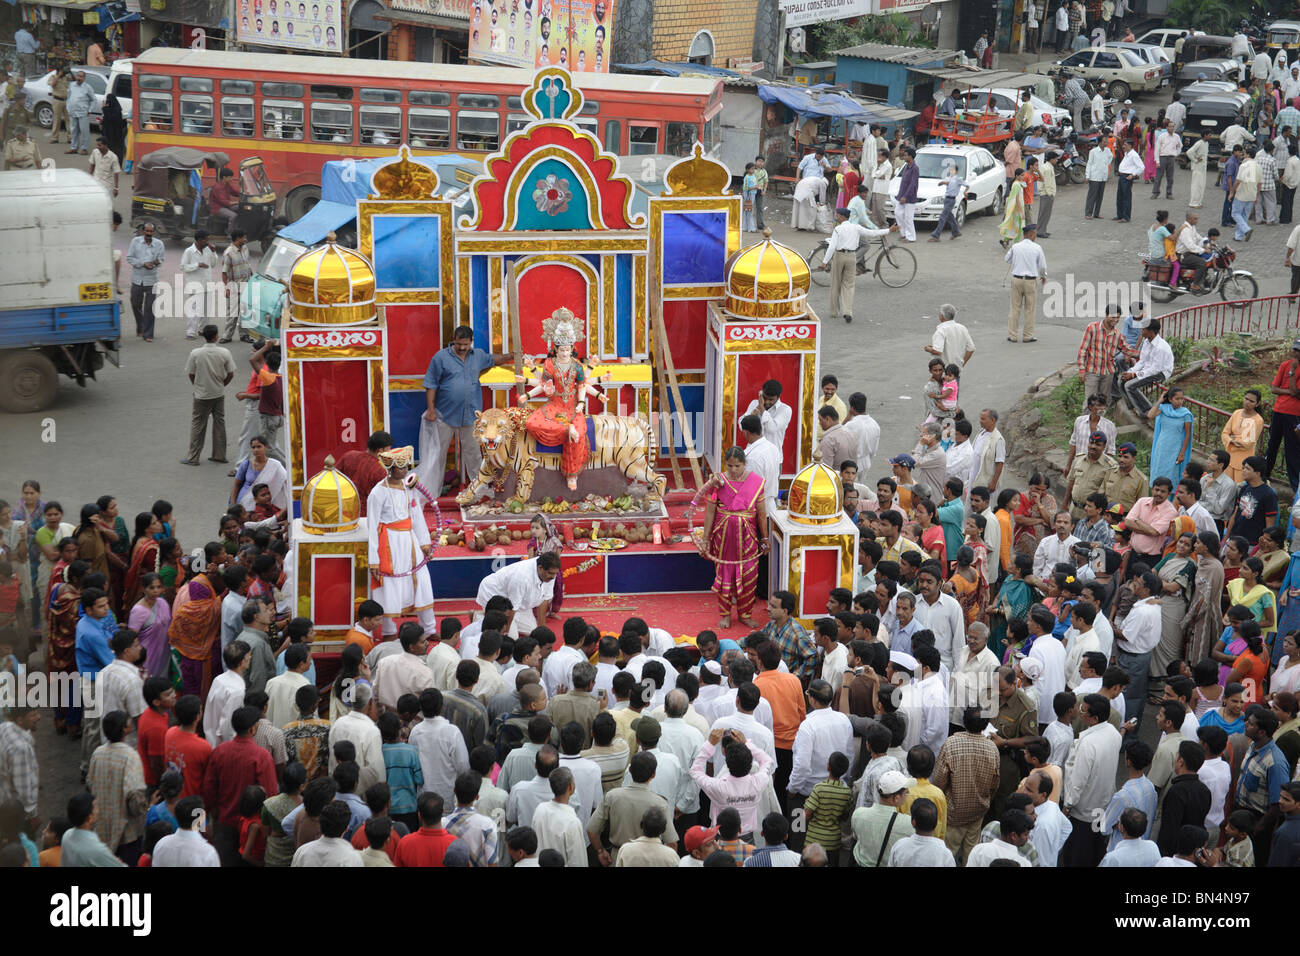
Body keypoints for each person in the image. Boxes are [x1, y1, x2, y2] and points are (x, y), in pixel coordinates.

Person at [366, 446, 436, 640]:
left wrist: (425, 543)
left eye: (406, 466)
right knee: (389, 584)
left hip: (410, 541)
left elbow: (416, 514)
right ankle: (388, 632)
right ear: (391, 469)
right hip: (388, 544)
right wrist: (374, 560)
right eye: (401, 467)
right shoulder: (377, 493)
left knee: (421, 580)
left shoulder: (408, 487)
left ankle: (429, 629)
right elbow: (372, 527)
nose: (405, 471)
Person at [818, 208, 896, 323]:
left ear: (842, 216)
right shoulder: (856, 227)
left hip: (839, 256)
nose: (836, 217)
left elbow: (832, 247)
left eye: (837, 215)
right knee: (849, 285)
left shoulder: (838, 229)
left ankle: (834, 311)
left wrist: (824, 262)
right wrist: (889, 230)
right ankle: (847, 312)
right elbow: (872, 233)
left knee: (835, 283)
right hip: (852, 257)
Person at [181, 325, 237, 467]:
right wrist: (222, 384)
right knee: (219, 423)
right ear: (216, 336)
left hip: (201, 395)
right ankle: (219, 455)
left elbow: (191, 373)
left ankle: (193, 457)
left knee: (198, 425)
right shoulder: (224, 352)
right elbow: (230, 373)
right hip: (218, 393)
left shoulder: (196, 353)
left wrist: (198, 385)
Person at [1120, 319, 1174, 416]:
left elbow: (1155, 370)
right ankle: (1132, 407)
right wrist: (1131, 372)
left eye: (1143, 329)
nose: (1141, 331)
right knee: (1121, 380)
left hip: (1160, 373)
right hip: (1148, 370)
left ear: (1151, 332)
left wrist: (1134, 375)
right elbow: (1142, 361)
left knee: (1129, 386)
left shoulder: (1160, 348)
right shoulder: (1146, 342)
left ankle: (1147, 411)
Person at [1005, 224, 1046, 344]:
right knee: (1030, 309)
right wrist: (1043, 276)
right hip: (1030, 281)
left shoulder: (1016, 246)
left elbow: (1007, 259)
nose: (1035, 236)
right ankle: (1027, 335)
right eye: (1034, 233)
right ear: (1030, 234)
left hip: (1016, 279)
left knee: (1014, 308)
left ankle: (1012, 335)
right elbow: (1042, 266)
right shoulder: (1037, 248)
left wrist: (1017, 261)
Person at [126, 223, 165, 342]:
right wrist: (143, 263)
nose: (149, 234)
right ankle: (141, 325)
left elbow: (161, 260)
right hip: (137, 279)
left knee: (149, 308)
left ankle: (148, 334)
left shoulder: (159, 244)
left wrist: (155, 263)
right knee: (135, 304)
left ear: (154, 232)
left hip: (151, 280)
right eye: (147, 231)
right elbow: (129, 258)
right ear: (143, 231)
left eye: (151, 232)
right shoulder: (135, 242)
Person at [1147, 386, 1194, 484]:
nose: (1180, 401)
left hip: (1175, 448)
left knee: (1171, 474)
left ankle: (1169, 497)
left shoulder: (1186, 414)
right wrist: (1160, 401)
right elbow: (1150, 415)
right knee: (1159, 469)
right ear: (1170, 399)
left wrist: (1182, 453)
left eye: (1182, 399)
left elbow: (1188, 435)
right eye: (1177, 399)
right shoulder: (1164, 409)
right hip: (1161, 446)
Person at [179, 231, 219, 340]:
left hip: (207, 284)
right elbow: (183, 267)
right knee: (194, 309)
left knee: (206, 309)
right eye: (206, 239)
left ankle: (203, 330)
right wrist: (197, 265)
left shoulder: (208, 250)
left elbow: (214, 264)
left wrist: (214, 253)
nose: (208, 242)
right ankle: (190, 333)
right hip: (194, 285)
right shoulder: (189, 251)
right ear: (199, 240)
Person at [1221, 389, 1266, 482]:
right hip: (1229, 457)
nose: (1247, 402)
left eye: (1251, 401)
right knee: (1225, 486)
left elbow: (1248, 443)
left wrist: (1232, 438)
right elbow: (1224, 433)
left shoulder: (1258, 420)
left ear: (1257, 404)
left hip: (1243, 462)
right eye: (1246, 399)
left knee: (1238, 488)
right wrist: (1232, 440)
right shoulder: (1237, 413)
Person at [1083, 133, 1112, 221]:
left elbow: (1110, 158)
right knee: (1092, 195)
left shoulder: (1107, 150)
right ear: (1099, 142)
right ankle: (1088, 213)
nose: (1106, 143)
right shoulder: (1093, 151)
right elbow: (1089, 163)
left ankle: (1096, 213)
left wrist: (1105, 165)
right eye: (1104, 141)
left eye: (1106, 141)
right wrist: (1087, 176)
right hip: (1094, 176)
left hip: (1103, 176)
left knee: (1100, 196)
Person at [895, 147, 919, 242]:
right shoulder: (906, 166)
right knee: (898, 214)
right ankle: (903, 233)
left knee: (908, 218)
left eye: (905, 155)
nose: (904, 157)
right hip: (901, 195)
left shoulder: (915, 168)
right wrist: (901, 195)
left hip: (909, 197)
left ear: (910, 157)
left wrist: (906, 196)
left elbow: (913, 184)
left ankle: (911, 237)